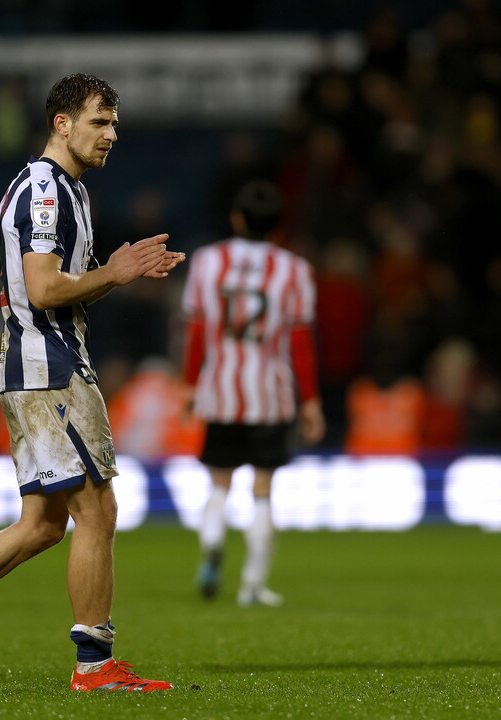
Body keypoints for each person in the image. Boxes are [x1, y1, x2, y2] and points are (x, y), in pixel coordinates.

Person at [0, 73, 185, 691]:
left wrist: (108, 274)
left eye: (115, 124)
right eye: (100, 122)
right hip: (48, 368)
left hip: (42, 362)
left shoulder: (63, 189)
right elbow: (43, 290)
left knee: (43, 525)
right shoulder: (44, 194)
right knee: (97, 511)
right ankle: (95, 666)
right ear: (61, 123)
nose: (112, 134)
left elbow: (51, 288)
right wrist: (116, 273)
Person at [181, 180, 325, 607]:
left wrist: (190, 387)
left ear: (237, 218)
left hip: (220, 390)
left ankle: (212, 544)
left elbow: (196, 332)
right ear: (277, 225)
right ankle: (252, 586)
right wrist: (311, 401)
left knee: (219, 483)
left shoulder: (208, 262)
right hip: (271, 394)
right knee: (262, 488)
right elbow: (300, 342)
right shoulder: (294, 270)